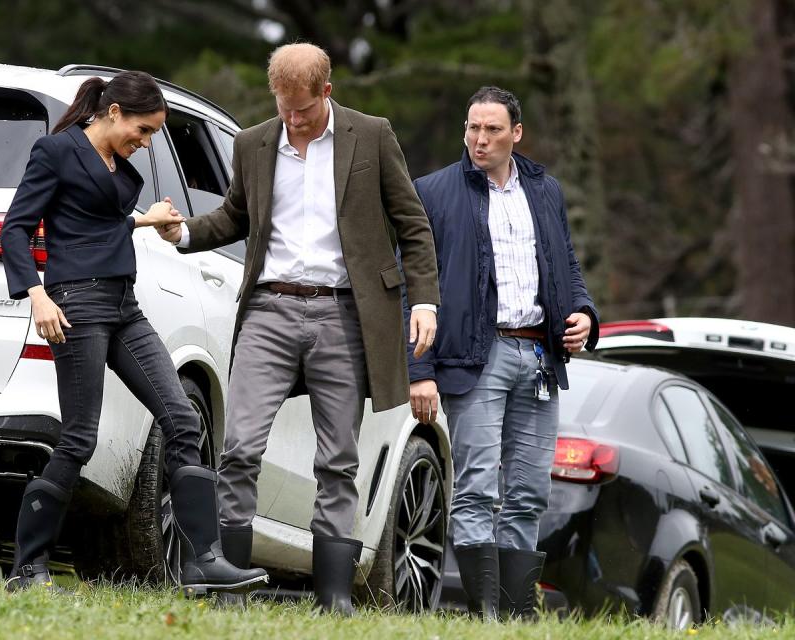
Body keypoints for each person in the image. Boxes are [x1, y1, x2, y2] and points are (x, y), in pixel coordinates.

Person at [153, 43, 440, 615]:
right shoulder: (253, 143)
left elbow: (413, 225)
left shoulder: (372, 136)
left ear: (326, 93)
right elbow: (235, 215)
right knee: (238, 447)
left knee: (338, 459)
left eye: (303, 110)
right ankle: (226, 580)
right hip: (269, 310)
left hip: (344, 313)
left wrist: (425, 302)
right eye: (284, 108)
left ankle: (332, 595)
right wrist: (182, 233)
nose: (293, 120)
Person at [0, 70, 268, 594]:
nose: (145, 144)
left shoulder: (117, 165)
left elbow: (95, 223)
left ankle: (202, 562)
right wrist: (36, 295)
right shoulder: (56, 152)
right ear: (115, 111)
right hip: (75, 304)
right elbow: (16, 227)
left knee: (182, 418)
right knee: (79, 438)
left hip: (123, 304)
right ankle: (26, 569)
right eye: (143, 131)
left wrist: (145, 223)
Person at [408, 86, 598, 619]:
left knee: (529, 492)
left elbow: (568, 267)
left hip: (539, 356)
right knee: (476, 487)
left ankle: (516, 615)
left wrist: (585, 313)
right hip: (475, 358)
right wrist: (418, 368)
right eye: (473, 127)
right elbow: (412, 285)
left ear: (517, 133)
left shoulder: (545, 189)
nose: (480, 139)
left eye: (492, 129)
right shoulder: (434, 191)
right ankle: (485, 614)